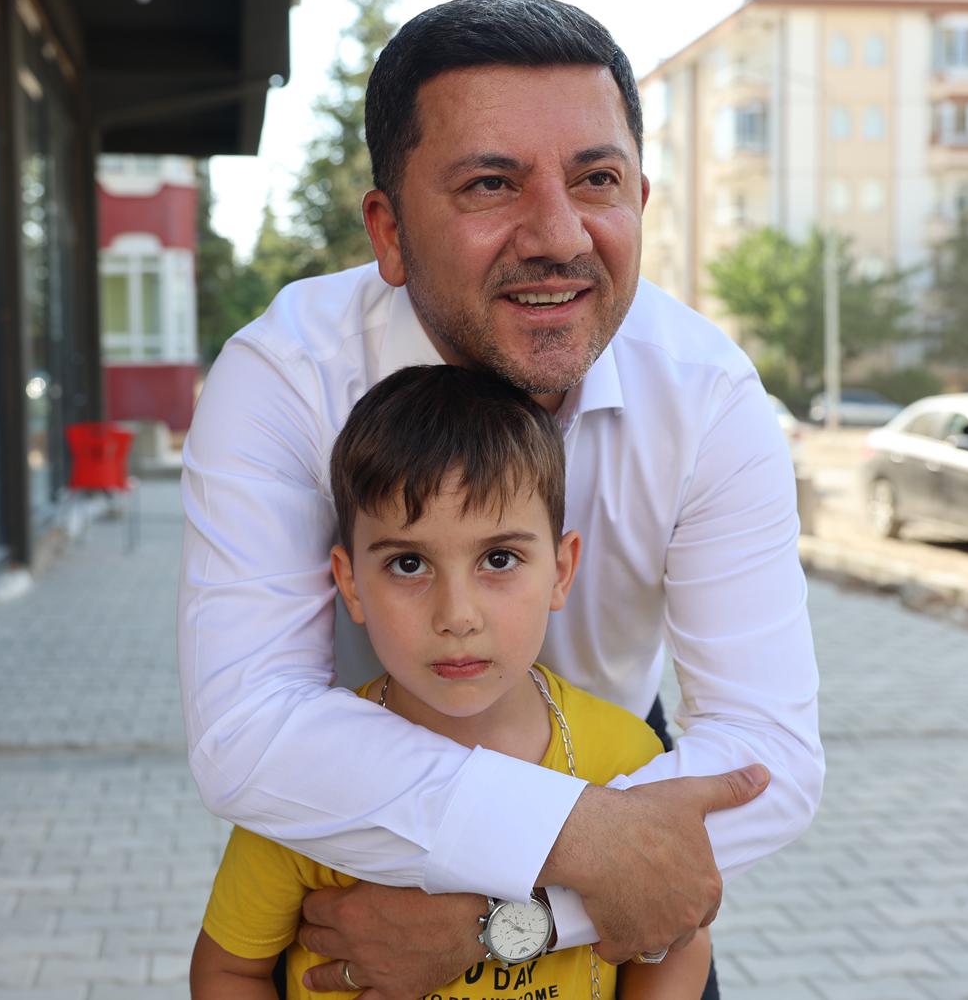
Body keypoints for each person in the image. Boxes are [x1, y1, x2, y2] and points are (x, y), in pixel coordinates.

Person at [178, 0, 823, 1000]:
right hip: (355, 862)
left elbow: (766, 754)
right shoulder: (284, 378)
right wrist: (582, 840)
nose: (559, 235)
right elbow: (249, 733)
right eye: (491, 183)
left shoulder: (707, 395)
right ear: (389, 232)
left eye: (597, 179)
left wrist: (507, 922)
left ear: (641, 199)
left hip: (615, 818)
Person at [190, 364, 712, 999]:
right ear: (350, 583)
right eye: (409, 563)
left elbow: (676, 938)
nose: (457, 616)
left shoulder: (626, 757)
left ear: (560, 570)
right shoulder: (309, 777)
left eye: (499, 559)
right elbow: (229, 970)